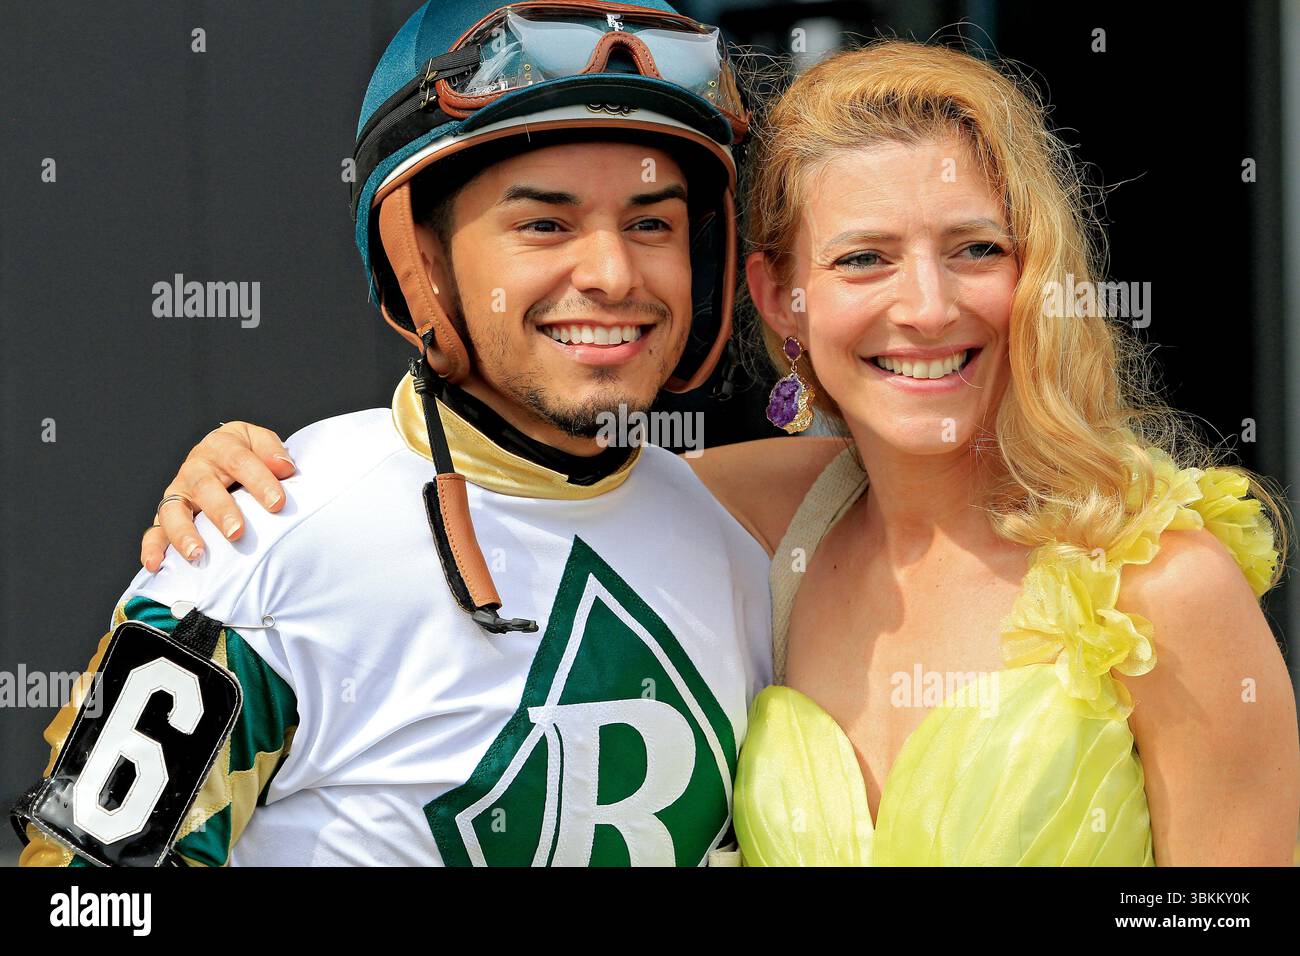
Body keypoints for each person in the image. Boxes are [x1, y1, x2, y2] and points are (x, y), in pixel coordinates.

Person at [153, 40, 1300, 867]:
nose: (927, 304)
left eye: (975, 248)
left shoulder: (1162, 588)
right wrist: (246, 509)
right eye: (862, 260)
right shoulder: (732, 517)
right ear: (778, 297)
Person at [13, 0, 773, 867]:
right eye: (545, 224)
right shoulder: (258, 539)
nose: (611, 273)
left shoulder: (741, 547)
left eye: (651, 223)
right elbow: (84, 896)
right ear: (423, 261)